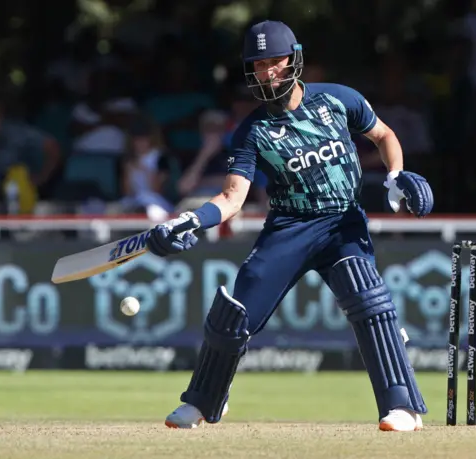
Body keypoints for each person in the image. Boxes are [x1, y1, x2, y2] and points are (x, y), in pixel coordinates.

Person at [145, 21, 434, 432]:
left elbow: (384, 135)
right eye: (258, 66)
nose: (267, 73)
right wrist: (190, 219)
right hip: (290, 226)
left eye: (275, 62)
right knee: (234, 316)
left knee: (370, 303)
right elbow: (231, 197)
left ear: (294, 60)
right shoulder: (251, 131)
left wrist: (395, 176)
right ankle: (205, 401)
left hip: (341, 223)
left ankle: (401, 406)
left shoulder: (338, 99)